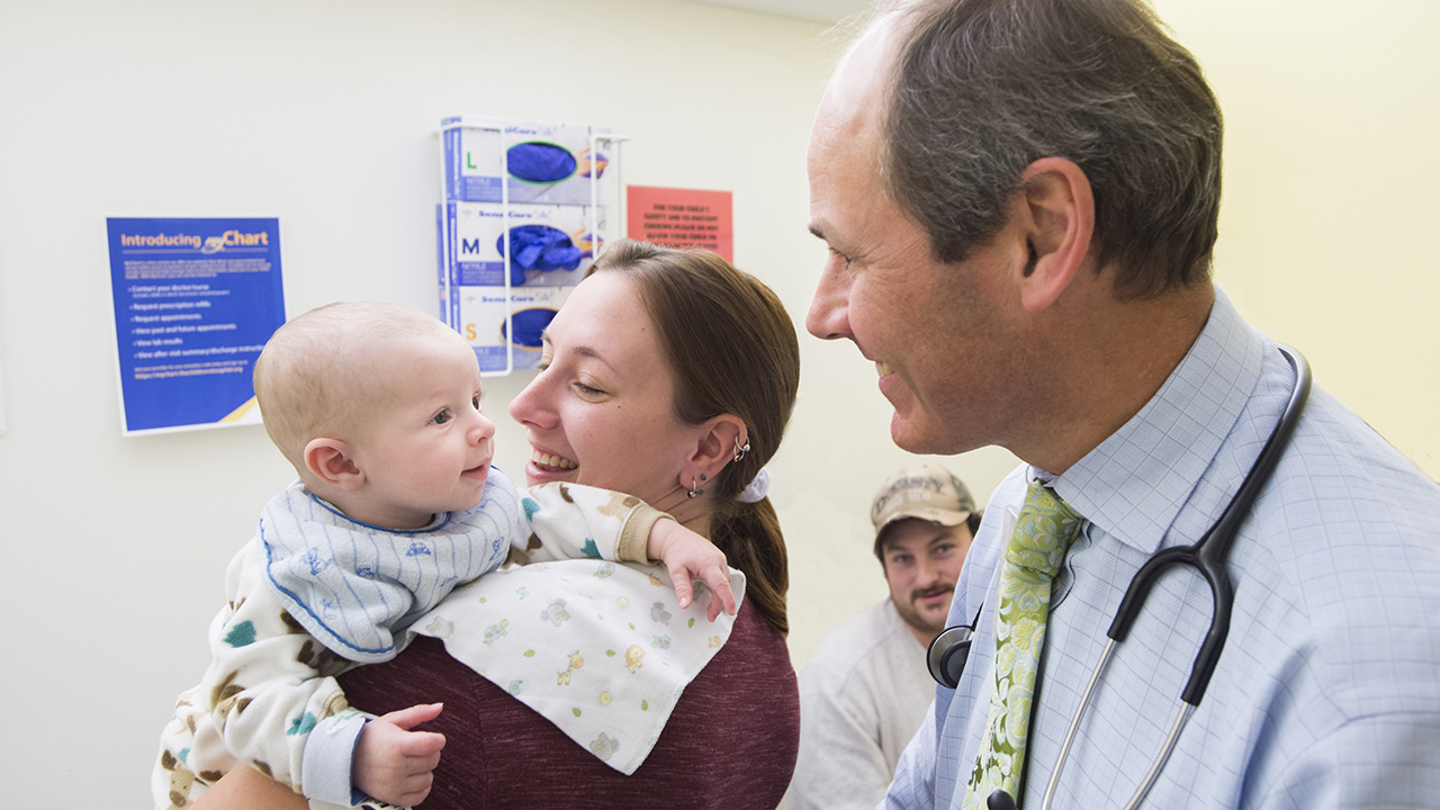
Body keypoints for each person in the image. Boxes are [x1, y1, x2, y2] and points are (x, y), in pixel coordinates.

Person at [804, 1, 1440, 809]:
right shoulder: (1023, 521)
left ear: (1040, 235)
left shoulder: (1373, 690)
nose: (824, 315)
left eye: (850, 255)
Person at [190, 239, 803, 810]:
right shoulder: (761, 651)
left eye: (588, 385)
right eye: (542, 359)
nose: (516, 408)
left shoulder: (467, 674)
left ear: (708, 449)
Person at [788, 464, 980, 810]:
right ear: (884, 568)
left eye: (942, 549)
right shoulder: (838, 683)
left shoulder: (1020, 633)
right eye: (903, 558)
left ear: (980, 542)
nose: (926, 578)